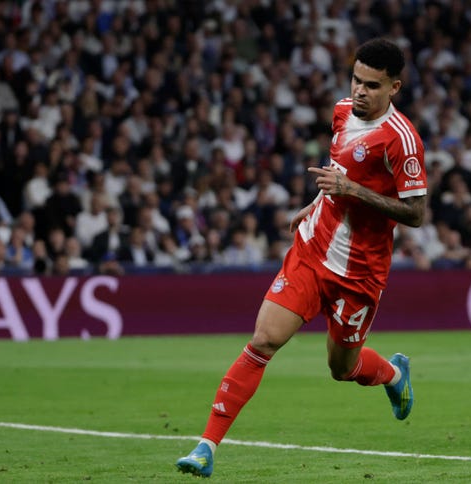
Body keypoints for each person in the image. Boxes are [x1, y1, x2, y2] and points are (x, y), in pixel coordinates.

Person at [176, 38, 427, 477]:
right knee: (263, 341)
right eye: (356, 80)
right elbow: (340, 175)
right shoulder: (341, 112)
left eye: (372, 84)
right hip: (312, 251)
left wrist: (353, 192)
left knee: (341, 367)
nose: (361, 91)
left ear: (394, 87)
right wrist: (318, 204)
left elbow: (417, 213)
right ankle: (206, 447)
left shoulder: (402, 141)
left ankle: (391, 374)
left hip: (361, 272)